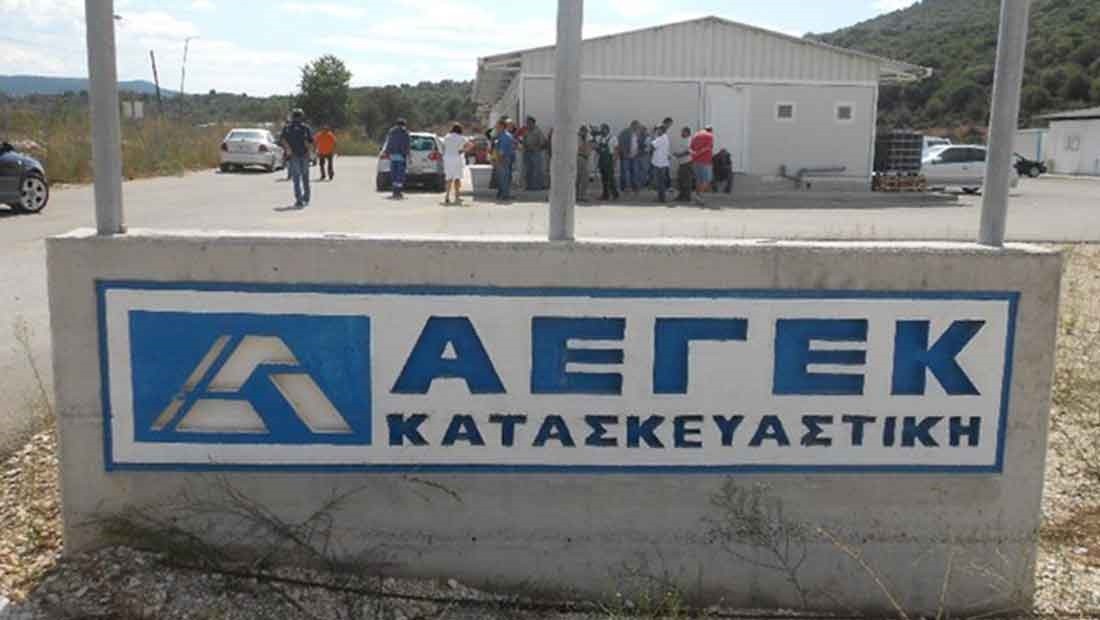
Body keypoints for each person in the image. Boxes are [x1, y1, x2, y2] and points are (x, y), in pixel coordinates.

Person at [279, 108, 314, 208]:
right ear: (301, 116)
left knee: (296, 179)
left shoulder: (287, 128)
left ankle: (299, 200)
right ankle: (306, 198)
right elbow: (310, 142)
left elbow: (282, 140)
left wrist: (288, 149)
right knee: (305, 178)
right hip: (304, 155)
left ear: (292, 116)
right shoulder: (305, 127)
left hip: (294, 156)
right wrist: (311, 154)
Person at [382, 118, 411, 199]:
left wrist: (387, 152)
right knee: (400, 175)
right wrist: (408, 155)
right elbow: (407, 145)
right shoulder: (405, 133)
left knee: (394, 175)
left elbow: (388, 143)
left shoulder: (391, 132)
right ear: (403, 125)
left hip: (393, 156)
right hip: (401, 157)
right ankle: (398, 192)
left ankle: (394, 191)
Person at [442, 124, 471, 206]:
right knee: (457, 178)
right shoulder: (461, 138)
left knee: (448, 178)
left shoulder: (447, 137)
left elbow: (443, 147)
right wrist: (463, 150)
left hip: (447, 159)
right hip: (457, 158)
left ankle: (447, 196)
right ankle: (457, 196)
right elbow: (470, 145)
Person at [690, 125, 716, 206]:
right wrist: (699, 153)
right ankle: (699, 196)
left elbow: (690, 148)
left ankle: (697, 198)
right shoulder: (710, 136)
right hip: (705, 161)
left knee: (698, 181)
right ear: (710, 130)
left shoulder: (695, 135)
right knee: (707, 180)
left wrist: (694, 154)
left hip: (695, 161)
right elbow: (707, 147)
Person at [522, 116, 548, 191]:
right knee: (528, 170)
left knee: (537, 170)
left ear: (533, 123)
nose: (528, 124)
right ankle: (529, 186)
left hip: (535, 153)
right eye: (527, 123)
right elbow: (524, 141)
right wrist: (524, 146)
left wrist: (535, 148)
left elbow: (542, 142)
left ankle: (537, 186)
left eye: (529, 123)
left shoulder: (538, 131)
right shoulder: (526, 131)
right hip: (527, 152)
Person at [594, 123, 619, 201]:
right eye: (601, 129)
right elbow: (598, 149)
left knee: (610, 178)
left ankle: (615, 194)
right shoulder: (600, 138)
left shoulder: (613, 138)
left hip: (609, 160)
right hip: (602, 160)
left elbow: (616, 149)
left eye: (603, 129)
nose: (601, 131)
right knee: (604, 179)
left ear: (607, 130)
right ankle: (605, 195)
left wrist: (614, 161)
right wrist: (596, 148)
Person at [493, 118, 517, 201]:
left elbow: (502, 151)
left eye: (497, 126)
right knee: (502, 177)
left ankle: (505, 194)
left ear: (502, 127)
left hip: (503, 158)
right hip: (503, 158)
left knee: (504, 177)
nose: (496, 128)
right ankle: (502, 193)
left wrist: (499, 159)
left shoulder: (505, 136)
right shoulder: (502, 135)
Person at [616, 121, 642, 194]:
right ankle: (625, 187)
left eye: (638, 127)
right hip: (626, 156)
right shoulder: (624, 133)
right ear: (633, 125)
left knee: (635, 172)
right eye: (637, 126)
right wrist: (624, 153)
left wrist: (638, 152)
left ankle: (635, 187)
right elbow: (620, 144)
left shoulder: (637, 133)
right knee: (625, 172)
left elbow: (639, 143)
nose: (638, 128)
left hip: (635, 156)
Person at [650, 125, 671, 203]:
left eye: (658, 130)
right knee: (661, 181)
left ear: (661, 130)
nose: (657, 131)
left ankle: (662, 198)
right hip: (662, 162)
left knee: (660, 181)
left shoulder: (661, 138)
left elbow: (652, 146)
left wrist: (653, 136)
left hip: (659, 163)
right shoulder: (665, 137)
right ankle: (661, 197)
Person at [673, 126, 695, 203]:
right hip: (682, 163)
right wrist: (677, 153)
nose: (681, 133)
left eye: (683, 132)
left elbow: (688, 151)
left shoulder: (689, 140)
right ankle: (681, 195)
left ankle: (687, 197)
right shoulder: (684, 139)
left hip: (687, 163)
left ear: (687, 132)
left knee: (687, 181)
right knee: (681, 180)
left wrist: (679, 155)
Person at [576, 126, 593, 203]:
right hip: (580, 158)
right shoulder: (578, 138)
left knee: (584, 179)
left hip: (585, 159)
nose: (586, 133)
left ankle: (582, 195)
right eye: (584, 132)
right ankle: (579, 195)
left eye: (586, 132)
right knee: (578, 178)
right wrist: (587, 146)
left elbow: (589, 149)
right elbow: (580, 148)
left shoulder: (585, 139)